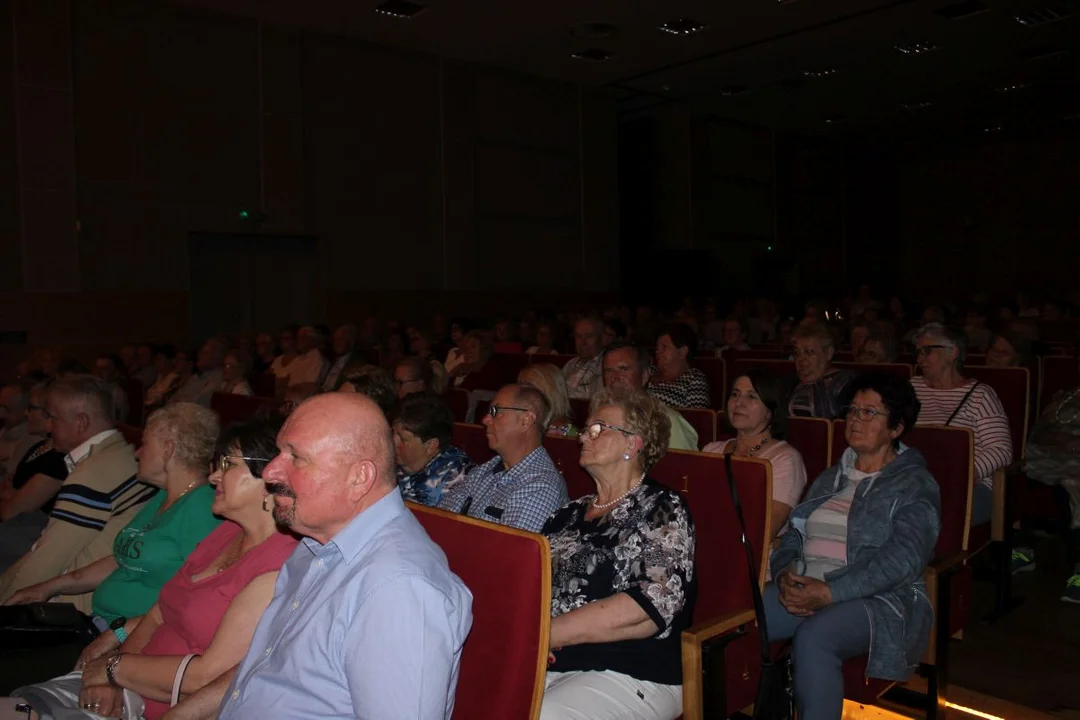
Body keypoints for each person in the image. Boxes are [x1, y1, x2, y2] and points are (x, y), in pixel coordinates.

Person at [3, 420, 297, 720]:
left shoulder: (278, 565)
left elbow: (208, 677)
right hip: (124, 672)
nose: (214, 476)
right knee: (18, 707)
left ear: (270, 477)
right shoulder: (224, 534)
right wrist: (114, 670)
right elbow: (158, 613)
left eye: (227, 464)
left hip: (152, 702)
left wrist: (112, 668)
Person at [217, 394, 472, 719]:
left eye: (295, 457)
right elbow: (266, 673)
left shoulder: (398, 591)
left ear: (359, 478)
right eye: (280, 451)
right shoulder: (317, 544)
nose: (269, 471)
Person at [766, 372, 939, 720]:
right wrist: (784, 573)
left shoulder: (915, 484)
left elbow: (903, 560)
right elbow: (794, 537)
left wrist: (831, 592)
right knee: (733, 617)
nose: (855, 419)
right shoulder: (832, 476)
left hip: (880, 600)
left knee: (816, 637)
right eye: (853, 410)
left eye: (869, 412)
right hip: (806, 583)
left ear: (896, 428)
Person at [541, 388, 694, 720]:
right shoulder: (566, 514)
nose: (583, 436)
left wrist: (541, 634)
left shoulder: (660, 508)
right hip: (554, 662)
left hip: (632, 671)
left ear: (632, 444)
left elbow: (649, 605)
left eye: (598, 428)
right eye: (585, 429)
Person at [2, 404, 221, 627]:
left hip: (128, 638)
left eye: (144, 444)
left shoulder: (202, 510)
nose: (137, 453)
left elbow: (191, 600)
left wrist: (120, 636)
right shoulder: (162, 496)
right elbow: (123, 559)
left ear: (168, 449)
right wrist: (47, 587)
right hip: (100, 623)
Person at [0, 376, 151, 608]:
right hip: (110, 587)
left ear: (80, 422)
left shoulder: (91, 475)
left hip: (80, 605)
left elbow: (46, 562)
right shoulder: (125, 454)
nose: (48, 426)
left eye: (53, 418)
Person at [910, 324, 1012, 526]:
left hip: (970, 485)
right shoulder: (911, 388)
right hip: (915, 479)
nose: (919, 359)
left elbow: (1001, 451)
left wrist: (960, 474)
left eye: (926, 351)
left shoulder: (981, 395)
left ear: (952, 352)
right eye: (918, 352)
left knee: (919, 512)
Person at [439, 384, 568, 532]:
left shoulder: (540, 486)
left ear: (526, 420)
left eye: (495, 411)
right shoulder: (485, 470)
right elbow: (443, 521)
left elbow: (510, 552)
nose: (485, 419)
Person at [703, 369, 808, 538]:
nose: (739, 403)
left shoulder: (784, 459)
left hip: (751, 555)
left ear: (770, 410)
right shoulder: (710, 451)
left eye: (751, 396)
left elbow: (765, 532)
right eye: (735, 394)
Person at [1023, 368, 1080, 601]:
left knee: (1074, 482)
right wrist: (1059, 438)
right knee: (1012, 467)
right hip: (1051, 454)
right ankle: (1021, 549)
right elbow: (1038, 431)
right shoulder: (1065, 395)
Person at [0, 385, 68, 573]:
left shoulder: (58, 459)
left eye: (32, 408)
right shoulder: (39, 447)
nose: (26, 413)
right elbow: (9, 487)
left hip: (26, 536)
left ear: (50, 416)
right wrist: (13, 494)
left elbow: (11, 511)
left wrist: (12, 495)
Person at [601, 342, 698, 451]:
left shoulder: (668, 423)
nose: (614, 377)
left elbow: (684, 466)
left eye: (624, 369)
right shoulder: (599, 418)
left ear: (644, 376)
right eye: (608, 371)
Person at [393, 393, 472, 507]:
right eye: (392, 433)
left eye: (402, 439)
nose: (393, 442)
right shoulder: (389, 463)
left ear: (430, 445)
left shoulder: (457, 478)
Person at [787, 323, 854, 419]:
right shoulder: (789, 384)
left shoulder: (844, 384)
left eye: (809, 352)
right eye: (797, 353)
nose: (801, 359)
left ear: (829, 353)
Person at [648, 323, 710, 409]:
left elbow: (696, 417)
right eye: (657, 348)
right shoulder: (649, 371)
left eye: (664, 347)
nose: (657, 352)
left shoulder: (693, 378)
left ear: (682, 352)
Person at [518, 364, 579, 438]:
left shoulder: (567, 433)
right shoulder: (518, 424)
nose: (520, 395)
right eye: (520, 387)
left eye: (530, 389)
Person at [171, 341, 225, 408]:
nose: (200, 355)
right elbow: (174, 399)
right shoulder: (194, 378)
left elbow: (198, 401)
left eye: (206, 353)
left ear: (217, 358)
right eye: (200, 352)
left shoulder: (218, 378)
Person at [562, 318, 604, 400]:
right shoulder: (570, 364)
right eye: (579, 336)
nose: (583, 342)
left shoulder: (606, 365)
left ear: (601, 338)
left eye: (589, 336)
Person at [94, 354, 132, 424]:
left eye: (104, 369)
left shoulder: (118, 395)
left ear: (116, 372)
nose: (98, 372)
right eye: (97, 368)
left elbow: (119, 424)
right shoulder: (89, 390)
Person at [144, 345, 181, 410]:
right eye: (156, 359)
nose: (157, 362)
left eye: (160, 359)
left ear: (171, 360)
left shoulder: (174, 379)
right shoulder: (158, 377)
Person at [322, 324, 358, 391]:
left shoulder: (356, 363)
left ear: (351, 342)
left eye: (341, 339)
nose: (337, 343)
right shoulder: (333, 359)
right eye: (335, 339)